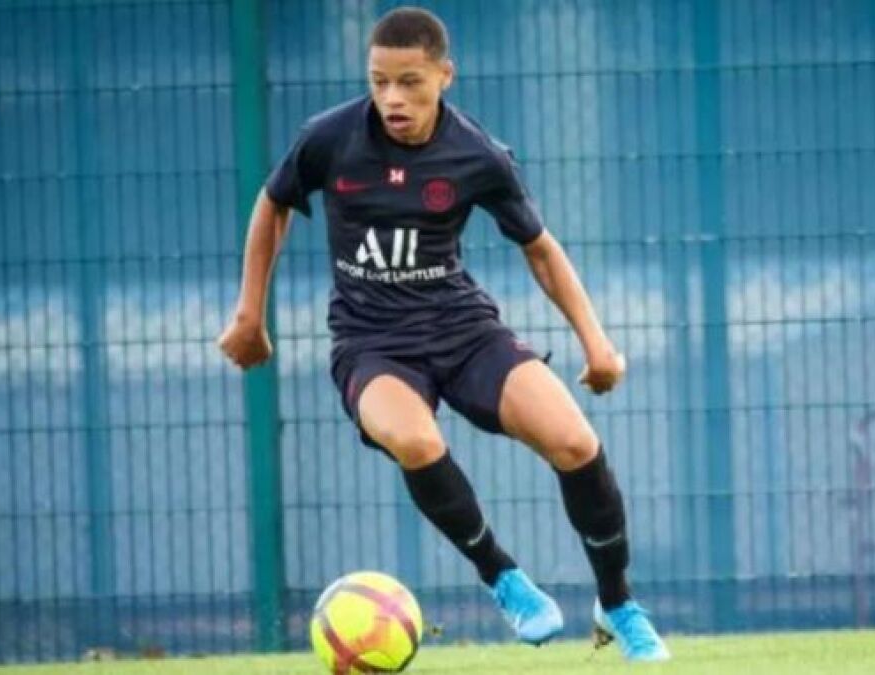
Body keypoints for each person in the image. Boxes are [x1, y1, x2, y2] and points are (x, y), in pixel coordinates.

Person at [217, 6, 669, 663]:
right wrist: (248, 314)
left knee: (575, 441)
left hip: (464, 331)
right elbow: (273, 203)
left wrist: (597, 344)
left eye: (410, 82)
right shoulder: (328, 139)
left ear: (444, 76)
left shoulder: (478, 155)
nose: (392, 99)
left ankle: (618, 604)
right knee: (416, 439)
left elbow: (541, 249)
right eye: (379, 82)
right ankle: (503, 577)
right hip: (372, 344)